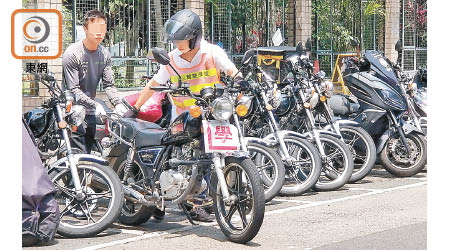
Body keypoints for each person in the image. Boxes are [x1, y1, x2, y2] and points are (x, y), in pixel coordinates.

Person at [123, 9, 243, 222]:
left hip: (212, 114)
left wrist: (241, 86)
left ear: (194, 37)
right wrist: (135, 107)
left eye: (182, 39)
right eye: (175, 39)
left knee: (210, 158)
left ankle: (201, 201)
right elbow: (154, 84)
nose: (177, 43)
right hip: (182, 117)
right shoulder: (172, 59)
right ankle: (159, 195)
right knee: (175, 159)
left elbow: (233, 72)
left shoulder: (212, 52)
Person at [62, 10, 127, 154]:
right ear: (85, 29)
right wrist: (96, 103)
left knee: (88, 152)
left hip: (90, 110)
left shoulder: (104, 54)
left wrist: (117, 103)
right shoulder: (72, 54)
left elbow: (109, 84)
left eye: (102, 29)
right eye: (95, 29)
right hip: (72, 110)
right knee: (77, 154)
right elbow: (74, 90)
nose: (99, 33)